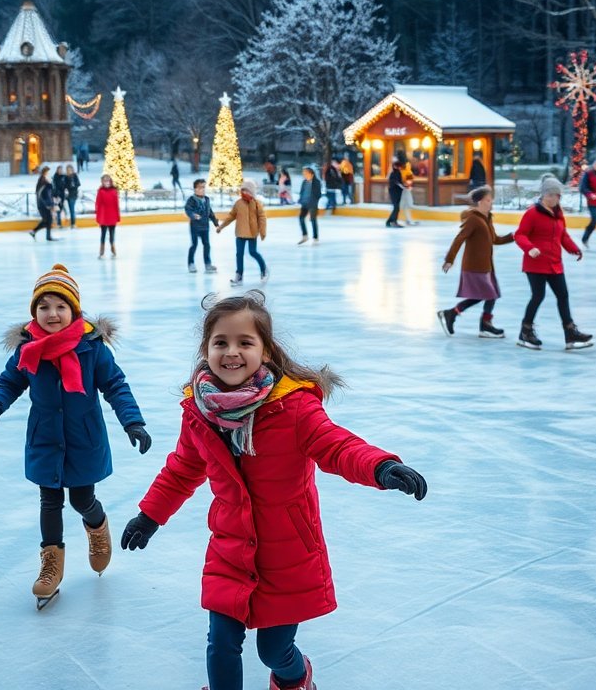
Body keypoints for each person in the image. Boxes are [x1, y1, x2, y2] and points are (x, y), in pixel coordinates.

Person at [119, 291, 427, 690]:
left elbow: (336, 445)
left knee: (274, 651)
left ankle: (297, 679)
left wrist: (381, 467)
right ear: (206, 349)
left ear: (265, 352)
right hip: (230, 547)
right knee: (221, 643)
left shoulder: (294, 409)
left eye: (245, 342)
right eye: (221, 342)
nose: (232, 352)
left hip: (287, 553)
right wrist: (150, 516)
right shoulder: (200, 411)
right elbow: (182, 469)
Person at [0, 264, 149, 607]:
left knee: (82, 499)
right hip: (45, 439)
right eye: (44, 306)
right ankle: (50, 566)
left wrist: (133, 421)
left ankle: (97, 527)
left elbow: (115, 385)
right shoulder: (27, 348)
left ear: (73, 311)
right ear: (34, 312)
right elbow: (9, 382)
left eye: (60, 306)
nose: (52, 313)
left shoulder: (92, 347)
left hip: (83, 439)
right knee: (49, 501)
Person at [514, 176, 593, 350]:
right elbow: (519, 235)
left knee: (563, 295)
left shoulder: (558, 213)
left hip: (554, 262)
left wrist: (574, 248)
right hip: (535, 263)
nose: (553, 198)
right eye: (549, 195)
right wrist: (530, 248)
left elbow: (562, 235)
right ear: (543, 195)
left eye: (556, 195)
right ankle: (525, 332)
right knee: (538, 296)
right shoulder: (532, 213)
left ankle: (570, 333)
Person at [438, 185, 514, 338]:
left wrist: (513, 236)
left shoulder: (487, 218)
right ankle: (456, 315)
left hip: (486, 266)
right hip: (474, 266)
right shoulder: (473, 219)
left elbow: (494, 239)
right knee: (489, 294)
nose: (491, 203)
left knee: (491, 294)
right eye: (488, 200)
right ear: (479, 202)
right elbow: (460, 238)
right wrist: (449, 259)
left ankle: (459, 315)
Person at [217, 180, 267, 285]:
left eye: (247, 191)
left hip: (252, 233)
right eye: (243, 190)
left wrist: (262, 231)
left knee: (253, 252)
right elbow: (231, 216)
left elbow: (262, 218)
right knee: (239, 254)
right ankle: (239, 275)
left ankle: (263, 269)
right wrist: (221, 226)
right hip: (240, 233)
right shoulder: (238, 203)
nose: (244, 193)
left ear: (252, 192)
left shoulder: (257, 204)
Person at [185, 178, 220, 273]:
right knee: (194, 244)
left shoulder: (207, 199)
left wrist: (216, 223)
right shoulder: (191, 200)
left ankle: (208, 264)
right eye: (200, 187)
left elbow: (210, 212)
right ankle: (191, 263)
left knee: (207, 245)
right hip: (195, 227)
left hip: (205, 226)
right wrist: (193, 215)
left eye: (204, 187)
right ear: (195, 189)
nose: (203, 189)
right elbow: (188, 210)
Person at [94, 173, 120, 258]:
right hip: (104, 216)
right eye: (105, 181)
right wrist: (98, 217)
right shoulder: (100, 191)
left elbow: (116, 204)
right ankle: (102, 251)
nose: (107, 183)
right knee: (103, 234)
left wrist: (117, 216)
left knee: (112, 234)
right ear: (102, 182)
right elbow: (97, 204)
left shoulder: (114, 191)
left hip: (112, 216)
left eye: (108, 181)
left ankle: (113, 249)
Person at [297, 165, 322, 245]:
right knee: (301, 218)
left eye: (305, 173)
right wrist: (301, 199)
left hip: (312, 203)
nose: (304, 175)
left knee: (313, 220)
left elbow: (318, 194)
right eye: (303, 173)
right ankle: (305, 236)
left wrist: (314, 201)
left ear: (311, 174)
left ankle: (315, 237)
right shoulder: (304, 182)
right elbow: (302, 192)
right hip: (304, 203)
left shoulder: (316, 182)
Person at [30, 167, 56, 241]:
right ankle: (46, 236)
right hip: (44, 205)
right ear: (45, 173)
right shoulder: (43, 182)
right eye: (48, 172)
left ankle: (36, 232)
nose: (49, 174)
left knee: (47, 220)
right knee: (47, 220)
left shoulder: (43, 181)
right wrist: (49, 205)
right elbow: (45, 195)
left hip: (43, 204)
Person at [385, 158, 405, 228]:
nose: (400, 168)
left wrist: (403, 185)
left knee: (397, 208)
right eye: (398, 166)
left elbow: (399, 182)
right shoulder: (393, 173)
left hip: (398, 192)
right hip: (394, 192)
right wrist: (401, 185)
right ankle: (392, 221)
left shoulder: (398, 173)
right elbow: (395, 182)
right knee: (396, 207)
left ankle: (391, 221)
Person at [399, 158, 418, 225]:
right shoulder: (404, 171)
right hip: (403, 189)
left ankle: (408, 219)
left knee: (406, 205)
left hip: (405, 189)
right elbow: (408, 180)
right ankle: (407, 219)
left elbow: (409, 179)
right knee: (406, 204)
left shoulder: (406, 170)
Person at [64, 164, 81, 228]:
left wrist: (73, 185)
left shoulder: (75, 176)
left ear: (72, 170)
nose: (69, 171)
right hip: (68, 195)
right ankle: (72, 223)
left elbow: (78, 184)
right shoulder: (66, 177)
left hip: (73, 195)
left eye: (70, 169)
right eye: (68, 170)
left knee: (72, 210)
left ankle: (73, 223)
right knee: (71, 210)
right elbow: (64, 185)